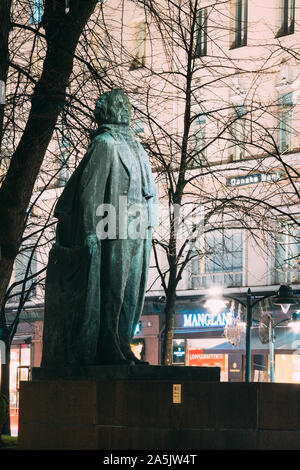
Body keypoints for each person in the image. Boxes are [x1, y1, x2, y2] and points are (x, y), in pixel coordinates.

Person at [41, 89, 158, 366]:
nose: (125, 109)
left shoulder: (138, 147)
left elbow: (149, 191)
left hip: (139, 227)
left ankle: (123, 343)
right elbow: (88, 192)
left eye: (126, 104)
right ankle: (108, 345)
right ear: (105, 111)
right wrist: (90, 232)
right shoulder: (105, 143)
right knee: (113, 292)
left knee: (132, 292)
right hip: (114, 224)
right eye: (118, 104)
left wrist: (150, 226)